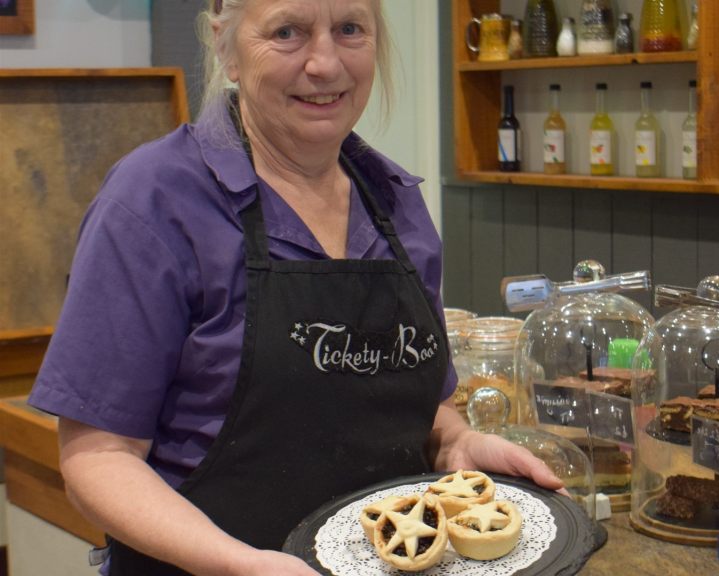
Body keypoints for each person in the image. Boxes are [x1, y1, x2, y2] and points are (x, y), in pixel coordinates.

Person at [27, 1, 562, 574]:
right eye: (288, 32)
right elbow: (99, 459)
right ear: (227, 49)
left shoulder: (395, 204)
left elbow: (404, 403)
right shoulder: (154, 203)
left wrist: (456, 445)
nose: (325, 64)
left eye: (350, 30)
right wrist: (242, 565)